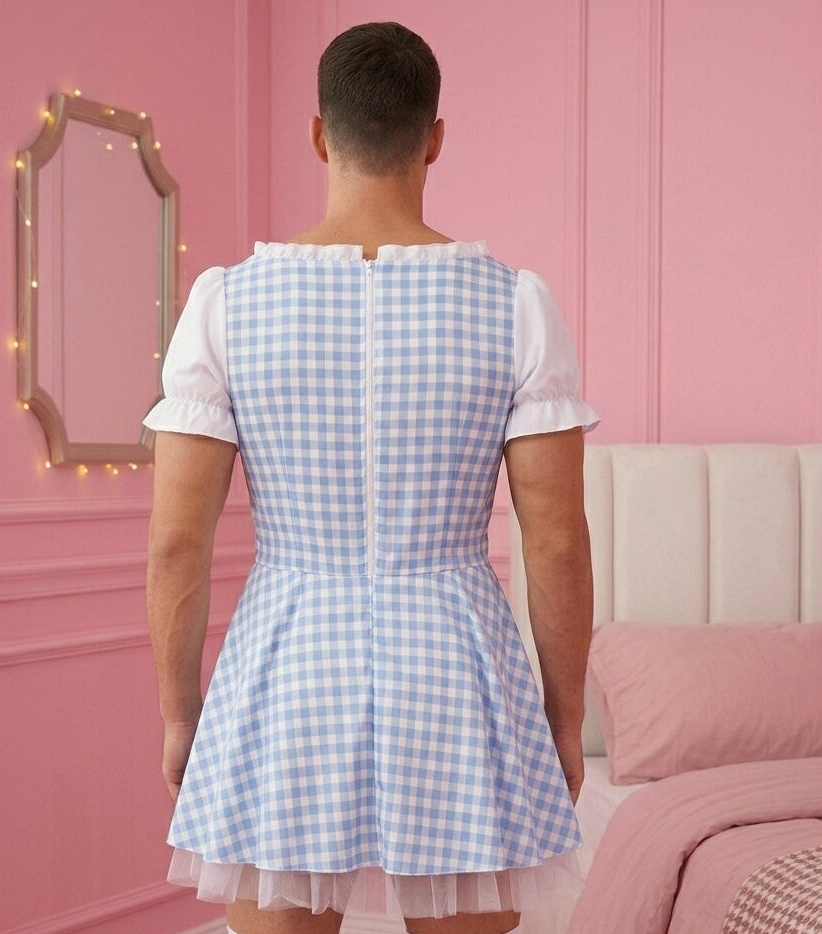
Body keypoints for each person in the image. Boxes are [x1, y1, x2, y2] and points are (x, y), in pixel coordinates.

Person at [143, 21, 600, 934]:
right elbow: (554, 539)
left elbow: (176, 541)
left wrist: (181, 714)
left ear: (319, 134)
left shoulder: (224, 305)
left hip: (285, 663)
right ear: (434, 136)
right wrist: (561, 715)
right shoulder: (517, 305)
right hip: (459, 665)